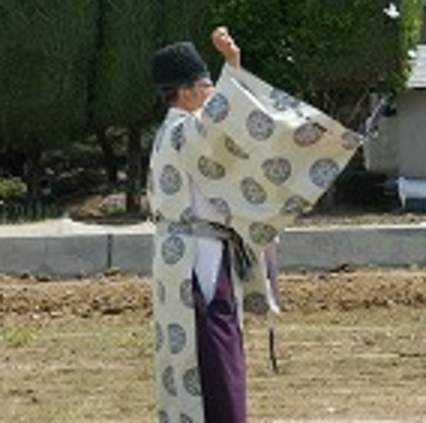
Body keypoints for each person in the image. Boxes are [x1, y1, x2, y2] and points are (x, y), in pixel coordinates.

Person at [148, 27, 361, 423]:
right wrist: (232, 66)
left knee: (191, 353)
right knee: (213, 348)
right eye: (207, 87)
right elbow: (223, 121)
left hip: (183, 253)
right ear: (187, 92)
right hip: (199, 252)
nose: (212, 94)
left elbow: (219, 124)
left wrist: (229, 72)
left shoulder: (170, 134)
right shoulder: (183, 132)